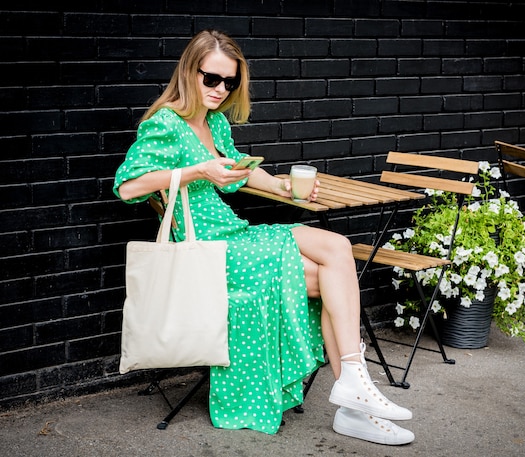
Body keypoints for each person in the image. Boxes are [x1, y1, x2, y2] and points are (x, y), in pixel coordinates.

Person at [113, 29, 414, 446]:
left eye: (230, 82)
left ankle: (353, 388)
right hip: (208, 248)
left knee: (337, 249)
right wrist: (199, 171)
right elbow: (128, 187)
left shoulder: (214, 123)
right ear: (188, 73)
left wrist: (280, 186)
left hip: (234, 234)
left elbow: (236, 166)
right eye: (211, 78)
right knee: (329, 278)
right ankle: (353, 400)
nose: (220, 90)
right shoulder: (166, 123)